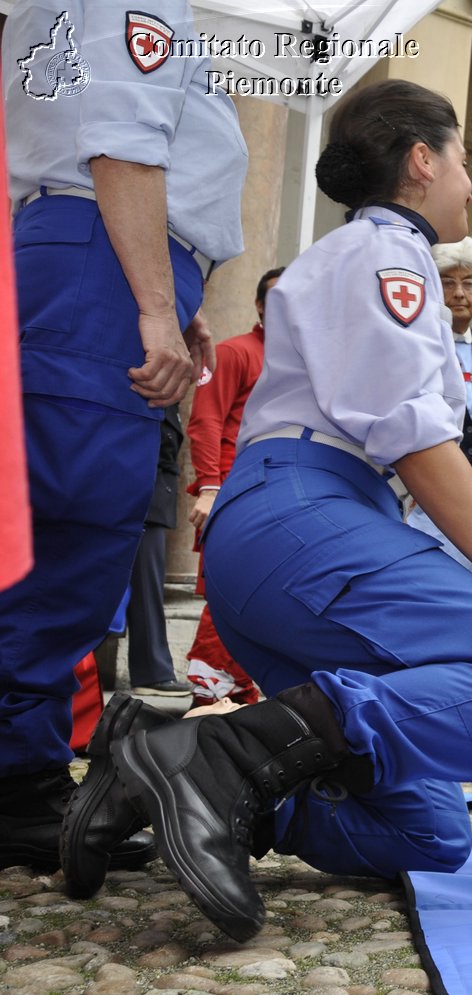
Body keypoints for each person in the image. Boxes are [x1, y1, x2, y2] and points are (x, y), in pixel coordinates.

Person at [61, 79, 472, 942]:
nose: (470, 183)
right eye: (462, 160)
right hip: (303, 517)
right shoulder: (391, 254)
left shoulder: (363, 254)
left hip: (294, 535)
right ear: (421, 161)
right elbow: (419, 443)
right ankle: (220, 755)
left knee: (430, 832)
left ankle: (165, 781)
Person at [0, 0, 245, 877]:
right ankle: (15, 784)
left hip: (88, 252)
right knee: (72, 538)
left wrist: (183, 300)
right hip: (101, 263)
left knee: (52, 537)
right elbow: (123, 145)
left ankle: (22, 779)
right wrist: (153, 302)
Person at [185, 267, 283, 706]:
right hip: (233, 497)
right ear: (260, 305)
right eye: (278, 298)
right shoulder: (234, 353)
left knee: (261, 603)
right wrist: (209, 487)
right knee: (228, 603)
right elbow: (205, 421)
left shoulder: (304, 363)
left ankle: (239, 704)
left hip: (279, 502)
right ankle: (208, 705)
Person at [403, 238, 472, 587]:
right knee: (427, 586)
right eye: (447, 282)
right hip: (422, 495)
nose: (459, 293)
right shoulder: (417, 342)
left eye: (469, 283)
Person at [124, 407, 186, 696]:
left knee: (147, 585)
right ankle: (152, 671)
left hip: (153, 487)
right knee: (146, 587)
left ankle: (153, 670)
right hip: (143, 485)